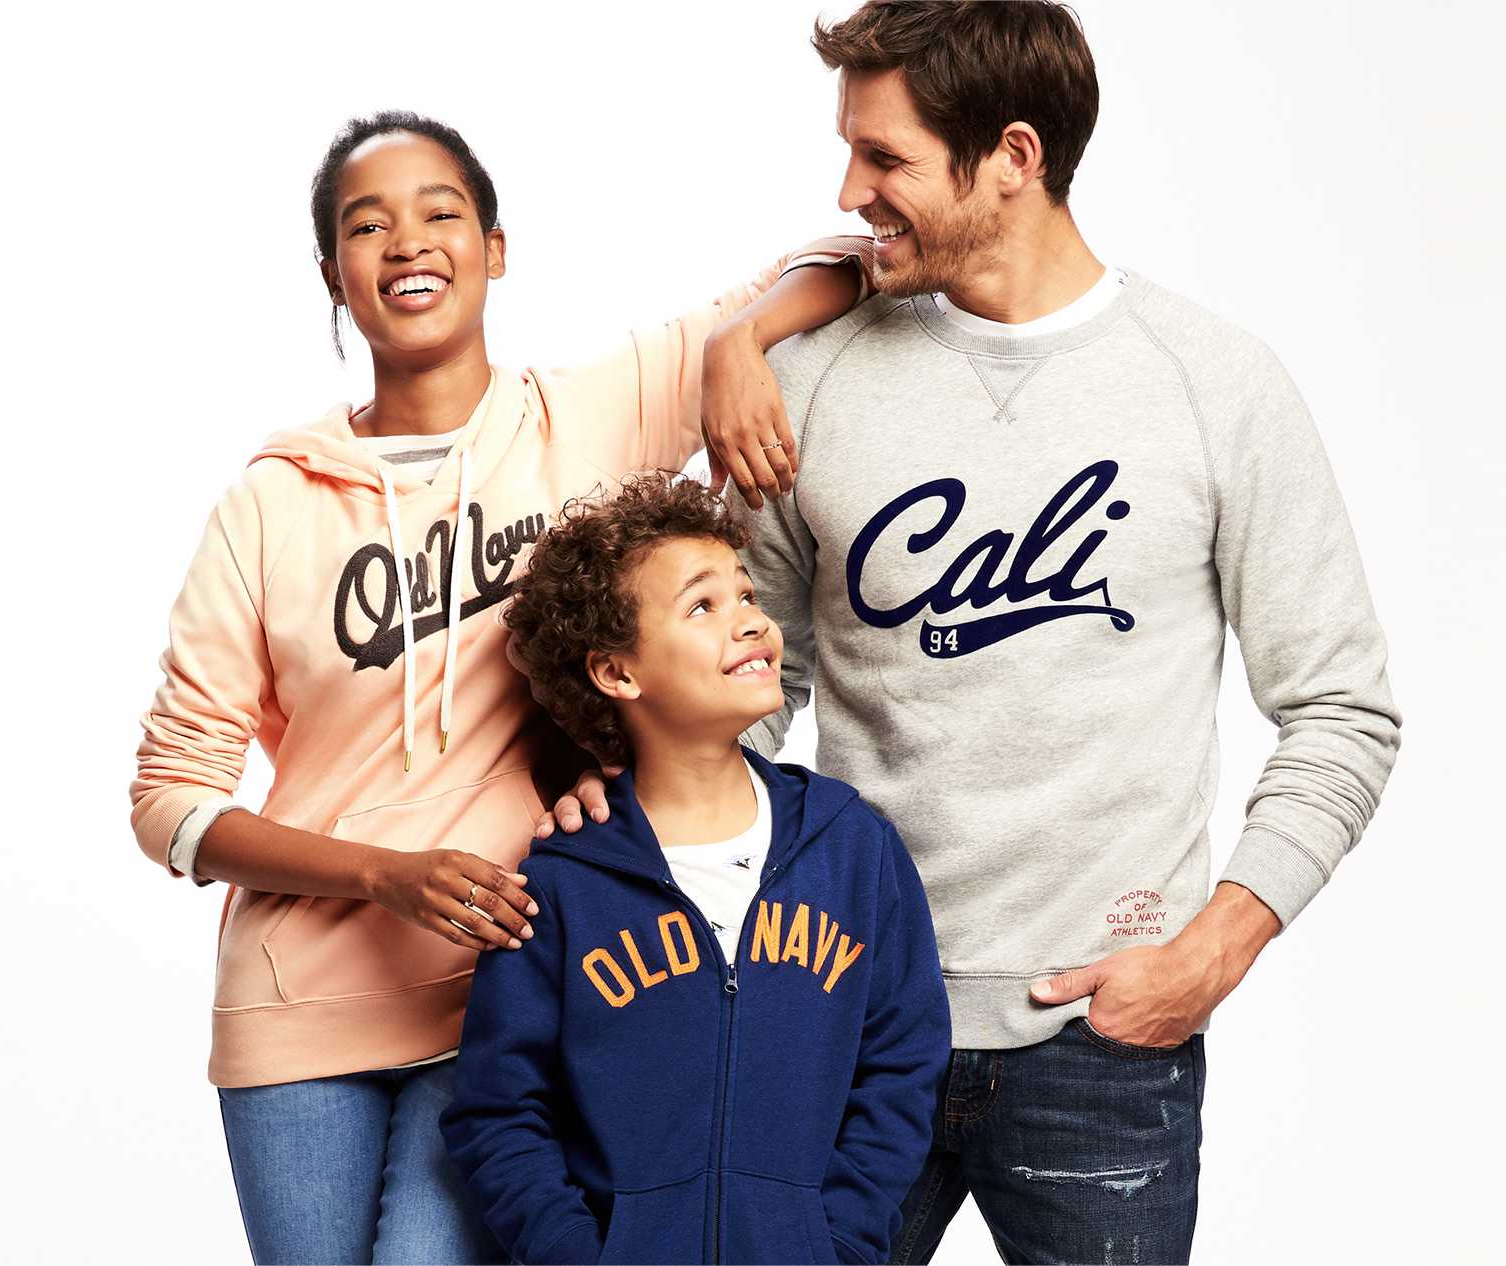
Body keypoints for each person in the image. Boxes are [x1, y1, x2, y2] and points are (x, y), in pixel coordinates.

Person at [539, 5, 1403, 1263]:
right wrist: (629, 824)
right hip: (828, 1011)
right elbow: (742, 682)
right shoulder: (815, 377)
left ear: (1012, 155)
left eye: (885, 160)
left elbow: (1344, 709)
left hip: (1103, 1049)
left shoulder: (1215, 387)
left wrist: (1213, 952)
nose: (851, 190)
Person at [128, 110, 874, 1264]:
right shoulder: (268, 505)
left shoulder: (586, 414)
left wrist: (738, 347)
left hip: (502, 994)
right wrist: (379, 875)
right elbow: (171, 802)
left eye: (441, 215)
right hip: (295, 1011)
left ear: (495, 246)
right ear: (333, 273)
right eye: (366, 227)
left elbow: (844, 260)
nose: (407, 244)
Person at [441, 472, 949, 1265]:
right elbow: (499, 1113)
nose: (748, 622)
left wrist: (838, 1245)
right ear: (617, 673)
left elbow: (901, 1068)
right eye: (702, 607)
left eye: (747, 597)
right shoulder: (563, 884)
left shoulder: (852, 850)